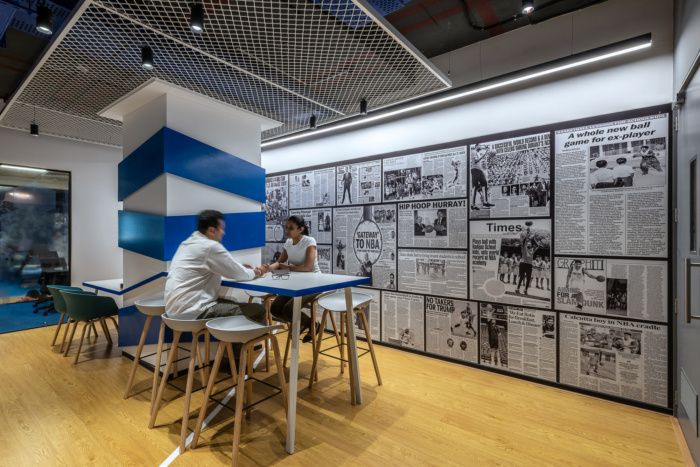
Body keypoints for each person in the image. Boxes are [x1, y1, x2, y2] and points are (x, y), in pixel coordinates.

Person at [164, 210, 267, 321]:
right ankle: (244, 338)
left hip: (171, 311)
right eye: (221, 229)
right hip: (193, 311)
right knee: (258, 309)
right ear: (212, 230)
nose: (223, 232)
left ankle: (231, 338)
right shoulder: (210, 246)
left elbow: (226, 266)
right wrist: (258, 272)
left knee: (231, 302)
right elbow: (239, 274)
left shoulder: (187, 243)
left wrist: (239, 267)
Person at [265, 215, 322, 342]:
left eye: (291, 228)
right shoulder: (288, 242)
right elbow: (279, 263)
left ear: (300, 229)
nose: (287, 231)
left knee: (289, 309)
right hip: (296, 283)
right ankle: (310, 324)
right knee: (274, 308)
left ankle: (307, 324)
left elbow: (307, 267)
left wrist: (288, 267)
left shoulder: (309, 241)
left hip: (314, 283)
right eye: (286, 227)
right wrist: (266, 269)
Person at [471, 144, 494, 210]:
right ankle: (473, 205)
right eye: (479, 146)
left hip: (479, 170)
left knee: (485, 184)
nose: (480, 147)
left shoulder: (478, 153)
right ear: (476, 146)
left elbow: (479, 159)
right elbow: (475, 161)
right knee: (475, 187)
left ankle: (485, 202)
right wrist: (484, 155)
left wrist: (486, 151)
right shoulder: (473, 152)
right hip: (475, 170)